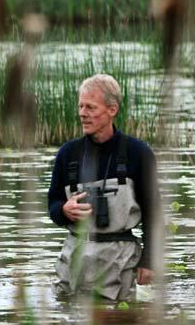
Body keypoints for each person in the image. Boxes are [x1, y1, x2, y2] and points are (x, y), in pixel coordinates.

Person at [47, 74, 160, 302]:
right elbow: (53, 204)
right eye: (80, 106)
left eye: (90, 107)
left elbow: (153, 213)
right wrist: (63, 210)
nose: (82, 113)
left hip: (119, 258)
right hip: (74, 257)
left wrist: (149, 262)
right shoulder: (68, 154)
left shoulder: (138, 153)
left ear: (112, 110)